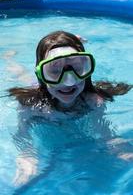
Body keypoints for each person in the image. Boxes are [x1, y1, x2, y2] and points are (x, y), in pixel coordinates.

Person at [8, 31, 133, 186]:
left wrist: (120, 149)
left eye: (77, 68)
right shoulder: (30, 105)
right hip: (39, 89)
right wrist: (27, 156)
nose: (68, 81)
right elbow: (22, 133)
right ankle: (8, 58)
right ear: (41, 74)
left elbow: (104, 132)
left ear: (87, 71)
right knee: (21, 74)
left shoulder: (93, 101)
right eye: (54, 70)